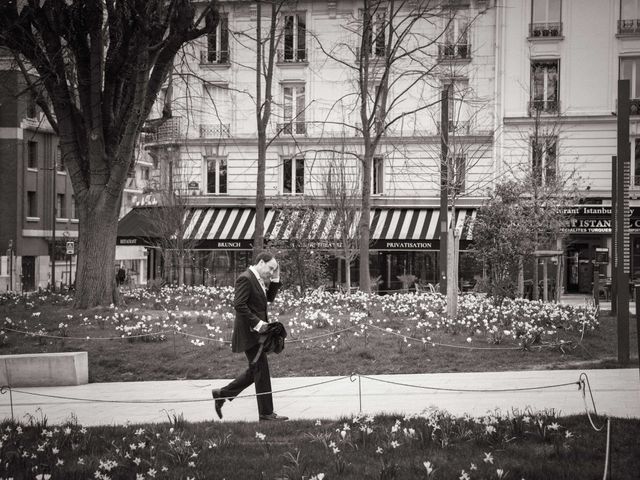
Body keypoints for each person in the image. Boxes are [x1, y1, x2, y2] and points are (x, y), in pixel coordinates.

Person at [211, 252, 288, 421]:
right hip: (250, 334)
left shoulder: (258, 279)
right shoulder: (246, 278)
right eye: (270, 268)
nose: (271, 272)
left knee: (257, 371)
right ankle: (266, 414)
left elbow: (269, 298)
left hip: (256, 334)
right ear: (261, 262)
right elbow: (239, 305)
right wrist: (258, 324)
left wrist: (276, 278)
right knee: (261, 371)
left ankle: (222, 394)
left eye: (273, 270)